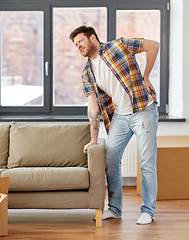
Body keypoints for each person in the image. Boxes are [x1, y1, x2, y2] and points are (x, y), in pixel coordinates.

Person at [69, 26, 159, 225]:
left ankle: (148, 211)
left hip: (143, 109)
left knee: (146, 163)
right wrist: (93, 139)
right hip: (120, 115)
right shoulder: (87, 72)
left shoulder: (120, 45)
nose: (79, 47)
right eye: (75, 45)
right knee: (110, 159)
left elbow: (153, 46)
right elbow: (93, 108)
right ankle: (115, 209)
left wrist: (146, 76)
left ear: (93, 37)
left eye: (81, 41)